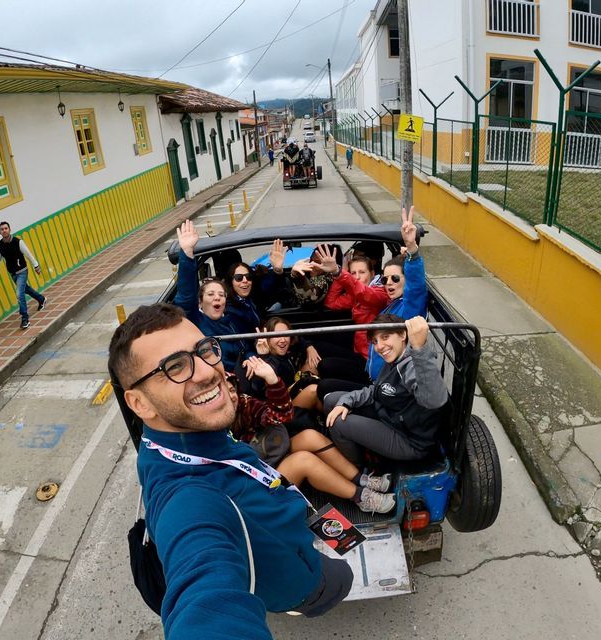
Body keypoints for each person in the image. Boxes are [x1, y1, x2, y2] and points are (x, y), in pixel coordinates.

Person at [108, 303, 353, 638]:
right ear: (139, 403)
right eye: (175, 366)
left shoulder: (186, 435)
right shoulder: (188, 497)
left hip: (288, 535)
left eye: (205, 350)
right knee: (344, 578)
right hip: (305, 582)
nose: (208, 371)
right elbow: (204, 593)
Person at [228, 358, 394, 513]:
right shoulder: (212, 430)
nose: (231, 396)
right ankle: (360, 497)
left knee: (309, 437)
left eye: (231, 390)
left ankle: (361, 479)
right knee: (304, 460)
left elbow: (280, 416)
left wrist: (272, 380)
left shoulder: (243, 403)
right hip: (253, 484)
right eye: (224, 392)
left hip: (266, 455)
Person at [324, 315, 449, 468]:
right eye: (375, 342)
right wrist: (346, 402)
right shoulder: (395, 359)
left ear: (403, 335)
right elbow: (376, 390)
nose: (379, 346)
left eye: (385, 337)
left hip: (409, 440)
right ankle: (358, 448)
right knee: (333, 401)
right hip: (391, 417)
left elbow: (433, 400)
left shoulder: (411, 365)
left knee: (337, 424)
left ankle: (359, 470)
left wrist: (420, 348)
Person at [173, 220, 251, 371]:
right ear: (200, 303)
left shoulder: (231, 321)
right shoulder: (196, 321)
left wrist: (250, 359)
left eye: (221, 295)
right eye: (210, 294)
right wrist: (187, 253)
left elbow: (247, 347)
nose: (217, 297)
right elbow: (186, 297)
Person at [366, 206, 428, 381]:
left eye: (394, 278)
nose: (389, 283)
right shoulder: (391, 305)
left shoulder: (409, 310)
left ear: (405, 278)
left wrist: (412, 249)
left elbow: (415, 288)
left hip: (388, 384)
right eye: (385, 280)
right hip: (374, 378)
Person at [314, 246, 389, 383]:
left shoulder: (380, 292)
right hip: (358, 350)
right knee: (318, 346)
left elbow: (365, 294)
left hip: (371, 359)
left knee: (326, 366)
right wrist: (341, 274)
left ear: (372, 274)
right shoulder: (355, 294)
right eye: (353, 273)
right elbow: (331, 302)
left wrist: (339, 273)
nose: (357, 277)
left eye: (362, 272)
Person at [0, 221, 46, 330]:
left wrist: (36, 266)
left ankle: (25, 319)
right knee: (25, 289)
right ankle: (41, 299)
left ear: (9, 230)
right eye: (2, 229)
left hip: (22, 271)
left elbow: (28, 254)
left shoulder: (18, 242)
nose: (4, 230)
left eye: (6, 228)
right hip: (13, 274)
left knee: (19, 294)